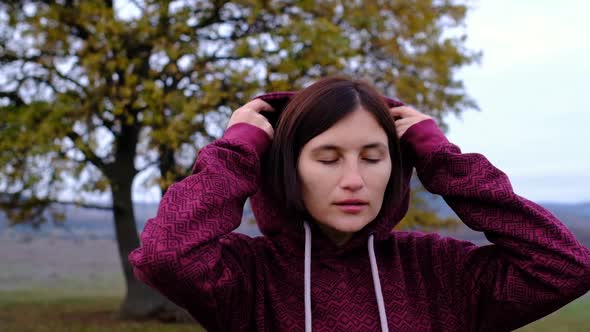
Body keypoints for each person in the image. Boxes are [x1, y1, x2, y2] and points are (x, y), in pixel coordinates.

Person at [128, 76, 590, 332]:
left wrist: (443, 160)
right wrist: (238, 150)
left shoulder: (438, 272)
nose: (354, 180)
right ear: (288, 168)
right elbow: (167, 254)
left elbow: (564, 267)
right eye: (327, 158)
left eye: (373, 157)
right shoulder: (248, 279)